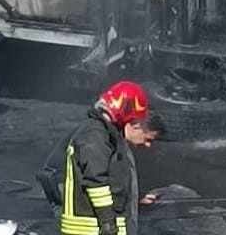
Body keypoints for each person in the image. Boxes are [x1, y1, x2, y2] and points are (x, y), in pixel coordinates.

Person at [50, 80, 156, 235]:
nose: (133, 122)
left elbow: (114, 178)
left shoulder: (106, 133)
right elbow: (96, 181)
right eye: (133, 117)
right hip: (89, 228)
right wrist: (108, 222)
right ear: (125, 109)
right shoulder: (94, 135)